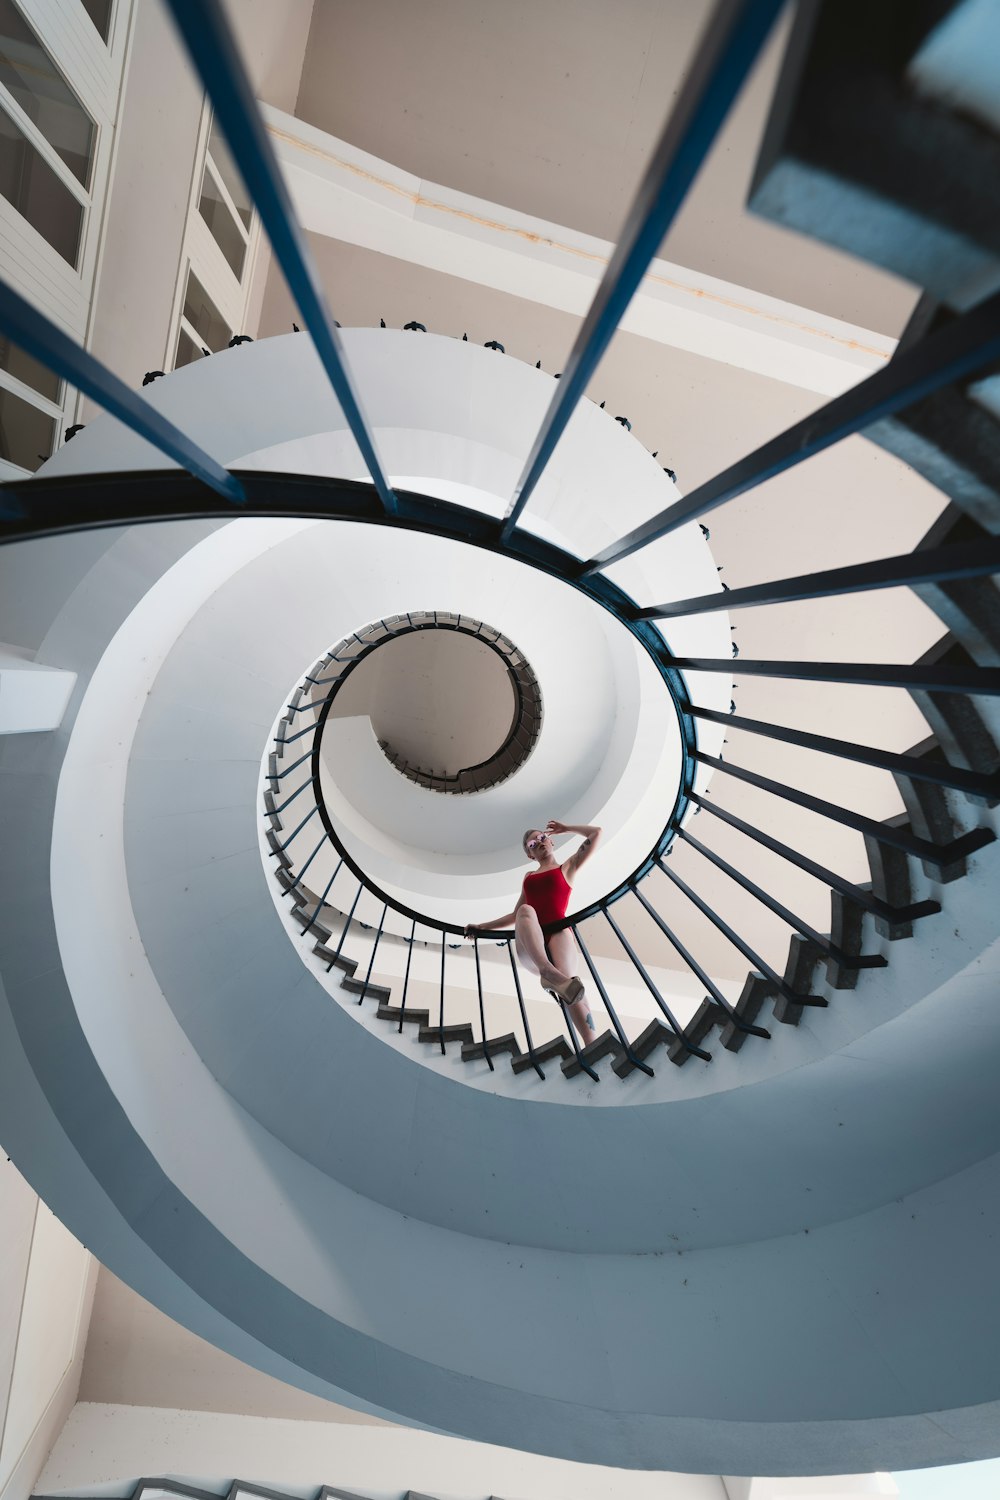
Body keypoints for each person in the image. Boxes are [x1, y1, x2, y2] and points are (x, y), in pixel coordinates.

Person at [465, 819, 602, 1045]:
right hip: (532, 945)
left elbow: (596, 833)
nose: (538, 842)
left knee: (569, 985)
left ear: (551, 841)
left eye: (541, 837)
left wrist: (566, 828)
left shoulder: (567, 867)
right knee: (526, 911)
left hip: (558, 933)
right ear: (530, 855)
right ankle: (546, 971)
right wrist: (482, 927)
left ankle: (592, 1042)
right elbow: (515, 915)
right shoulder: (529, 878)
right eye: (531, 844)